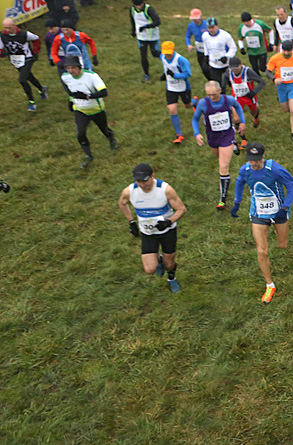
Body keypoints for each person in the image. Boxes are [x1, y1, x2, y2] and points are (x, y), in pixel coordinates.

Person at [231, 143, 293, 304]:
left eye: (257, 160)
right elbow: (240, 182)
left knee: (283, 245)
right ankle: (270, 285)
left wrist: (285, 207)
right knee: (262, 251)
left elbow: (291, 185)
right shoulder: (245, 170)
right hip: (258, 214)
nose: (254, 163)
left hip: (278, 212)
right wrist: (237, 202)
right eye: (251, 160)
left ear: (263, 156)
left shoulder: (274, 169)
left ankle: (276, 229)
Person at [119, 163, 187, 293]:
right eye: (139, 181)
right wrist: (131, 222)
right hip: (148, 232)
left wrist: (168, 222)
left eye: (145, 181)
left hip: (167, 231)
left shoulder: (165, 189)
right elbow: (122, 204)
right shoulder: (129, 191)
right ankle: (159, 259)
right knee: (150, 269)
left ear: (152, 176)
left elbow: (181, 209)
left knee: (169, 263)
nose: (142, 185)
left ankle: (172, 279)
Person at [193, 80, 247, 209]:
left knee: (223, 167)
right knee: (219, 158)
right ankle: (234, 146)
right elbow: (195, 118)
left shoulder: (228, 100)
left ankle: (222, 199)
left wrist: (243, 122)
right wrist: (196, 133)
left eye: (214, 95)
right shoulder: (203, 103)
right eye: (209, 95)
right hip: (212, 138)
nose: (212, 97)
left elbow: (238, 106)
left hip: (227, 135)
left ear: (220, 91)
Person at [61, 54, 116, 167]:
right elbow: (71, 91)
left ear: (79, 67)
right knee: (81, 133)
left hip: (96, 110)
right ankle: (88, 155)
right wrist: (71, 101)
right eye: (68, 68)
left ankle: (111, 138)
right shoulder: (65, 77)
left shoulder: (92, 76)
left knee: (104, 130)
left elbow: (104, 92)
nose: (71, 71)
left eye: (73, 68)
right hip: (80, 110)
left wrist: (87, 96)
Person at [2, 17, 47, 111]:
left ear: (14, 26)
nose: (7, 30)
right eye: (5, 27)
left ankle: (31, 102)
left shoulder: (24, 34)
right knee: (29, 77)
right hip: (16, 60)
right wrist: (2, 53)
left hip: (27, 58)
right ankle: (41, 89)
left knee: (22, 80)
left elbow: (36, 39)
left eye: (9, 27)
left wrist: (35, 52)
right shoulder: (2, 36)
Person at [266, 40, 293, 142]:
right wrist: (274, 79)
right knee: (284, 109)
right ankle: (282, 99)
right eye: (284, 51)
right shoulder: (275, 58)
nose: (286, 53)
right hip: (281, 86)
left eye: (288, 51)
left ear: (292, 50)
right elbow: (268, 72)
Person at [157, 41, 193, 143]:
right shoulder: (162, 57)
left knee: (188, 105)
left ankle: (194, 102)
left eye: (169, 52)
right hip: (171, 88)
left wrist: (175, 75)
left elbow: (188, 74)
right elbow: (165, 66)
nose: (167, 54)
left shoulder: (181, 60)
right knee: (172, 109)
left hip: (183, 87)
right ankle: (179, 135)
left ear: (173, 50)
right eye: (165, 52)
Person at [223, 57, 266, 130]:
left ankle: (256, 117)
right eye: (233, 69)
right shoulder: (228, 72)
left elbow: (262, 82)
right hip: (237, 97)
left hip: (249, 96)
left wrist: (253, 92)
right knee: (236, 119)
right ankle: (240, 134)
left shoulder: (248, 72)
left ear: (241, 65)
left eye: (236, 68)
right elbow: (224, 82)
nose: (235, 71)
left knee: (253, 112)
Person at [128, 0, 161, 82]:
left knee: (155, 53)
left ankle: (169, 59)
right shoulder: (132, 10)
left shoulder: (149, 9)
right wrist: (133, 30)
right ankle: (146, 74)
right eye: (137, 5)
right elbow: (132, 20)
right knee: (143, 56)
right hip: (141, 37)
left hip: (152, 35)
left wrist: (147, 26)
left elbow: (157, 21)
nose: (139, 7)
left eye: (140, 5)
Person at [203, 17, 237, 83]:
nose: (211, 30)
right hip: (213, 64)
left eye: (212, 27)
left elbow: (233, 48)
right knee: (217, 84)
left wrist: (227, 56)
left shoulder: (225, 36)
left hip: (226, 63)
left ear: (217, 26)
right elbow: (205, 46)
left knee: (231, 82)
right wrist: (206, 56)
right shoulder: (205, 36)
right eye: (209, 28)